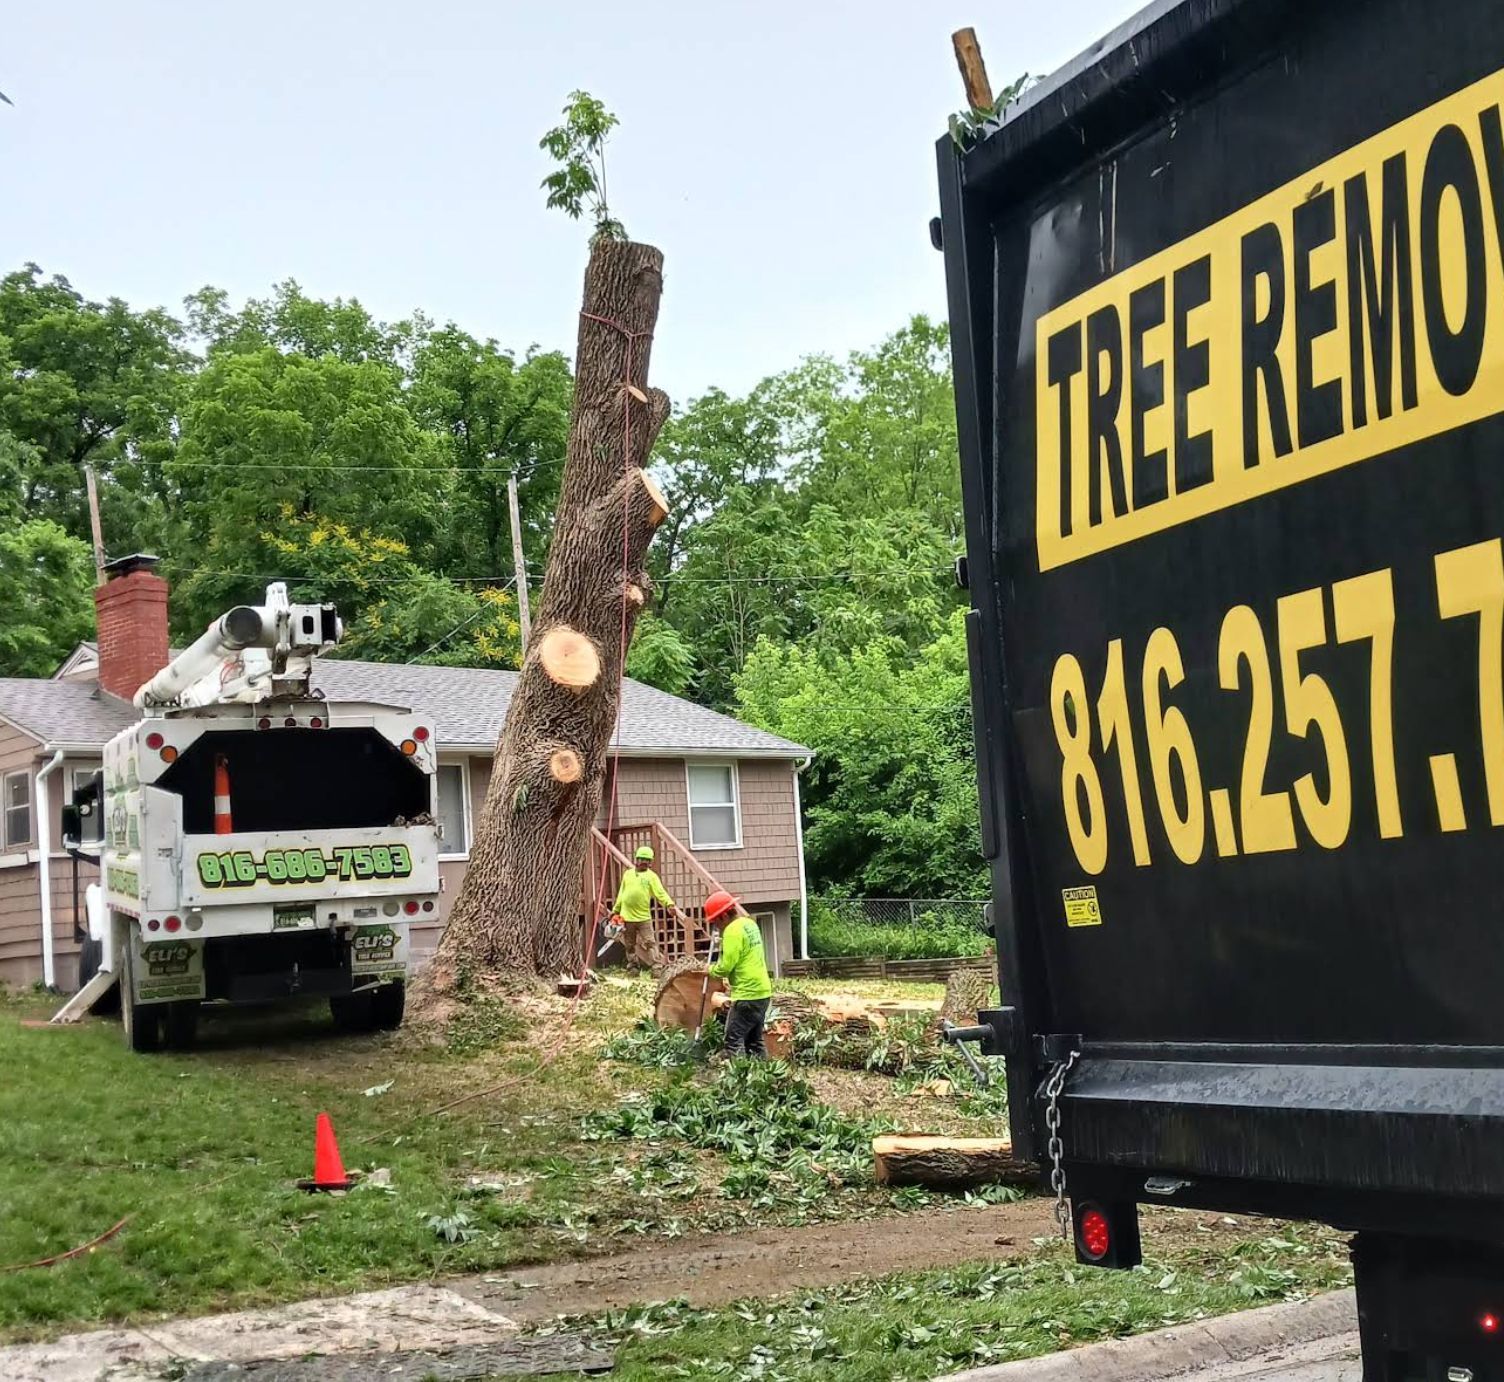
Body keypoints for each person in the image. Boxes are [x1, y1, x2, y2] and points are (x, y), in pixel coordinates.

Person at [704, 889, 773, 1058]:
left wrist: (709, 969)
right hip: (763, 992)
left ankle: (739, 1078)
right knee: (754, 1041)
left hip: (747, 995)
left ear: (723, 916)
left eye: (715, 922)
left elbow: (725, 967)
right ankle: (763, 1076)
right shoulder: (749, 924)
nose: (716, 926)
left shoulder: (732, 931)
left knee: (733, 1040)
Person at [610, 845, 674, 970]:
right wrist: (615, 910)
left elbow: (660, 892)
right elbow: (621, 894)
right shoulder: (627, 874)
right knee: (629, 944)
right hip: (626, 917)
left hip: (643, 917)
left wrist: (669, 904)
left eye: (648, 860)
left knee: (650, 942)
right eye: (642, 859)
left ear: (650, 863)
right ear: (636, 859)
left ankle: (656, 966)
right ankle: (633, 965)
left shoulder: (652, 877)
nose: (644, 862)